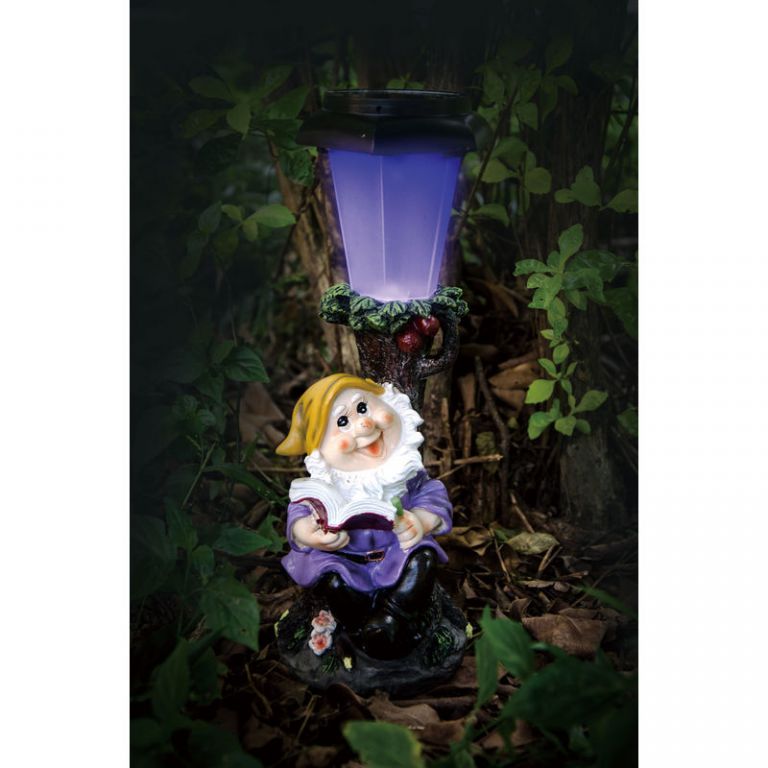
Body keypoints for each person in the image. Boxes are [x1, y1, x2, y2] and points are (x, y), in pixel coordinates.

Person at [276, 373, 453, 659]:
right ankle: (360, 628)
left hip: (397, 555)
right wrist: (306, 532)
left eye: (363, 407)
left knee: (423, 559)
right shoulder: (325, 486)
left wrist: (421, 520)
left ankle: (394, 616)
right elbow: (299, 512)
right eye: (342, 422)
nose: (364, 425)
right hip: (346, 562)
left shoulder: (404, 471)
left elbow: (432, 494)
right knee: (333, 582)